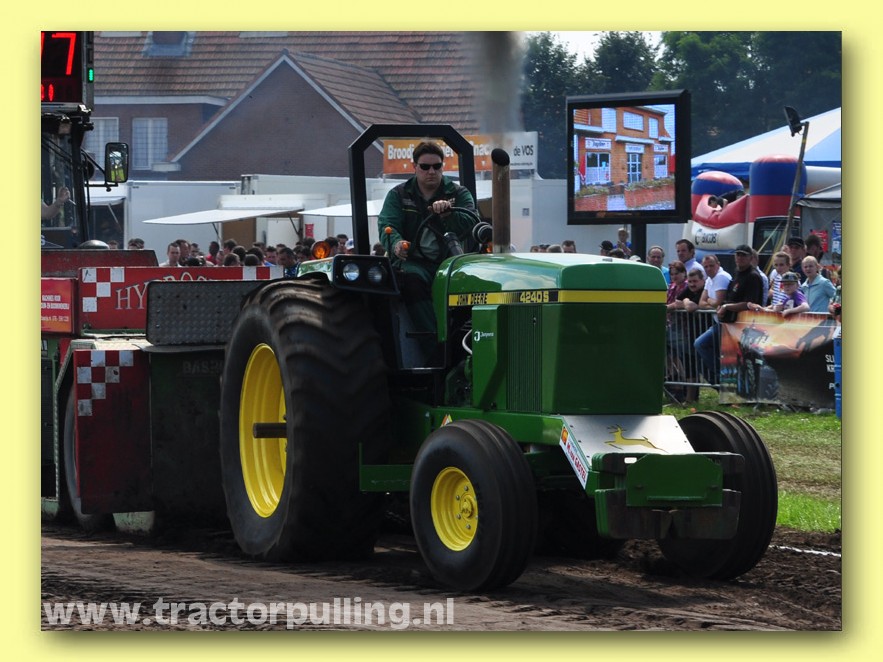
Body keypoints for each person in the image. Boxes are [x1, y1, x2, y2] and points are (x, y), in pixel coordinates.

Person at [378, 140, 477, 342]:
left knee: (474, 285)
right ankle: (436, 344)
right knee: (411, 280)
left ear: (443, 167)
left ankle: (469, 337)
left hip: (451, 262)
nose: (431, 171)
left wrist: (449, 215)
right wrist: (396, 244)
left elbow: (471, 222)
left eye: (436, 166)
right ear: (414, 167)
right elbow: (388, 225)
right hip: (413, 261)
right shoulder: (398, 195)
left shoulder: (458, 193)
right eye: (425, 167)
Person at [694, 244, 765, 385]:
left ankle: (724, 379)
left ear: (751, 257)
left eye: (744, 255)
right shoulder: (738, 273)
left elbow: (750, 303)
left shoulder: (753, 276)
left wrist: (725, 306)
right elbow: (724, 299)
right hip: (728, 323)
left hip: (744, 325)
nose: (740, 258)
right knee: (703, 346)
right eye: (738, 254)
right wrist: (722, 306)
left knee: (701, 344)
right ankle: (722, 380)